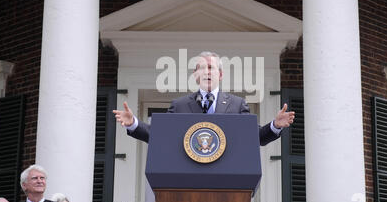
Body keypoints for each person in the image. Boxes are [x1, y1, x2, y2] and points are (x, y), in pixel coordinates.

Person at [114, 51, 295, 146]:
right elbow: (159, 135)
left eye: (211, 67)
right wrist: (134, 123)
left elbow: (254, 137)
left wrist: (275, 125)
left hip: (228, 184)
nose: (207, 72)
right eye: (202, 67)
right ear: (195, 74)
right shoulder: (180, 105)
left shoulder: (237, 105)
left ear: (221, 74)